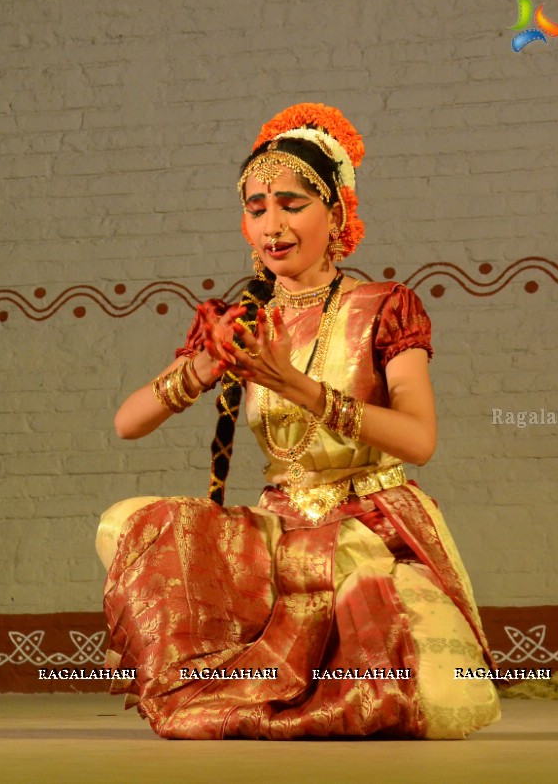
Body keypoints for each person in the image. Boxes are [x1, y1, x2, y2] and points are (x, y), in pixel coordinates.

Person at [96, 103, 501, 740]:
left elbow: (420, 440)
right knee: (125, 523)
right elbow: (127, 422)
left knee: (442, 705)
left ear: (336, 214)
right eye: (256, 208)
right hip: (280, 529)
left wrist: (300, 387)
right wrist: (205, 366)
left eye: (291, 204)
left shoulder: (384, 307)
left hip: (368, 526)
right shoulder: (244, 322)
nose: (272, 225)